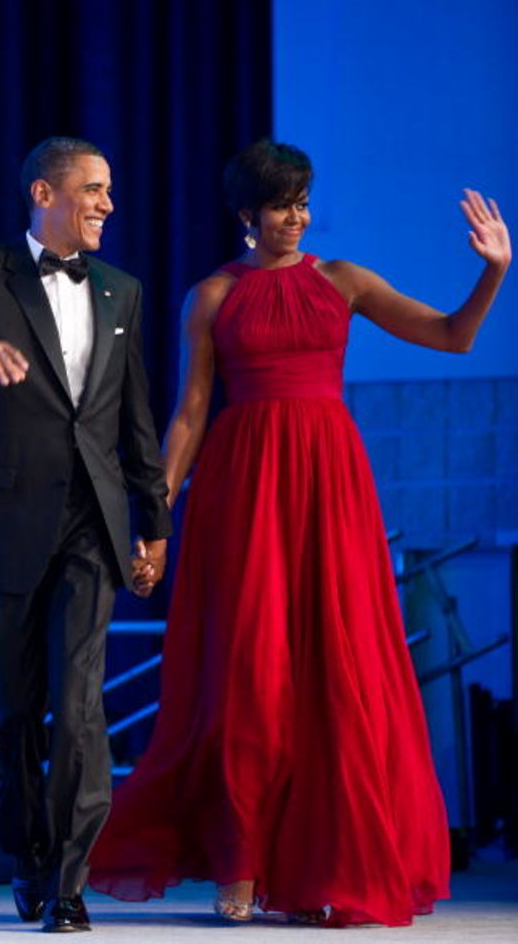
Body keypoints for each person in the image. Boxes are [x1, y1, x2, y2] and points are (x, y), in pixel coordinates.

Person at [87, 139, 512, 927]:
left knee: (335, 672)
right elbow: (187, 415)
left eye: (303, 202)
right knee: (248, 676)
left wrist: (492, 272)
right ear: (247, 214)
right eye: (281, 204)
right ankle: (239, 863)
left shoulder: (341, 280)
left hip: (328, 487)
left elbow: (453, 336)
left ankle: (330, 863)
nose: (296, 217)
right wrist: (157, 522)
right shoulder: (212, 295)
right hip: (242, 490)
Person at [0, 136, 172, 933]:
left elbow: (136, 419)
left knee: (79, 699)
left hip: (92, 525)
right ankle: (27, 853)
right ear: (43, 193)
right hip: (1, 527)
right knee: (18, 711)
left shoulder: (122, 290)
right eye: (93, 189)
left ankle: (68, 878)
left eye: (111, 190)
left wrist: (153, 526)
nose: (108, 205)